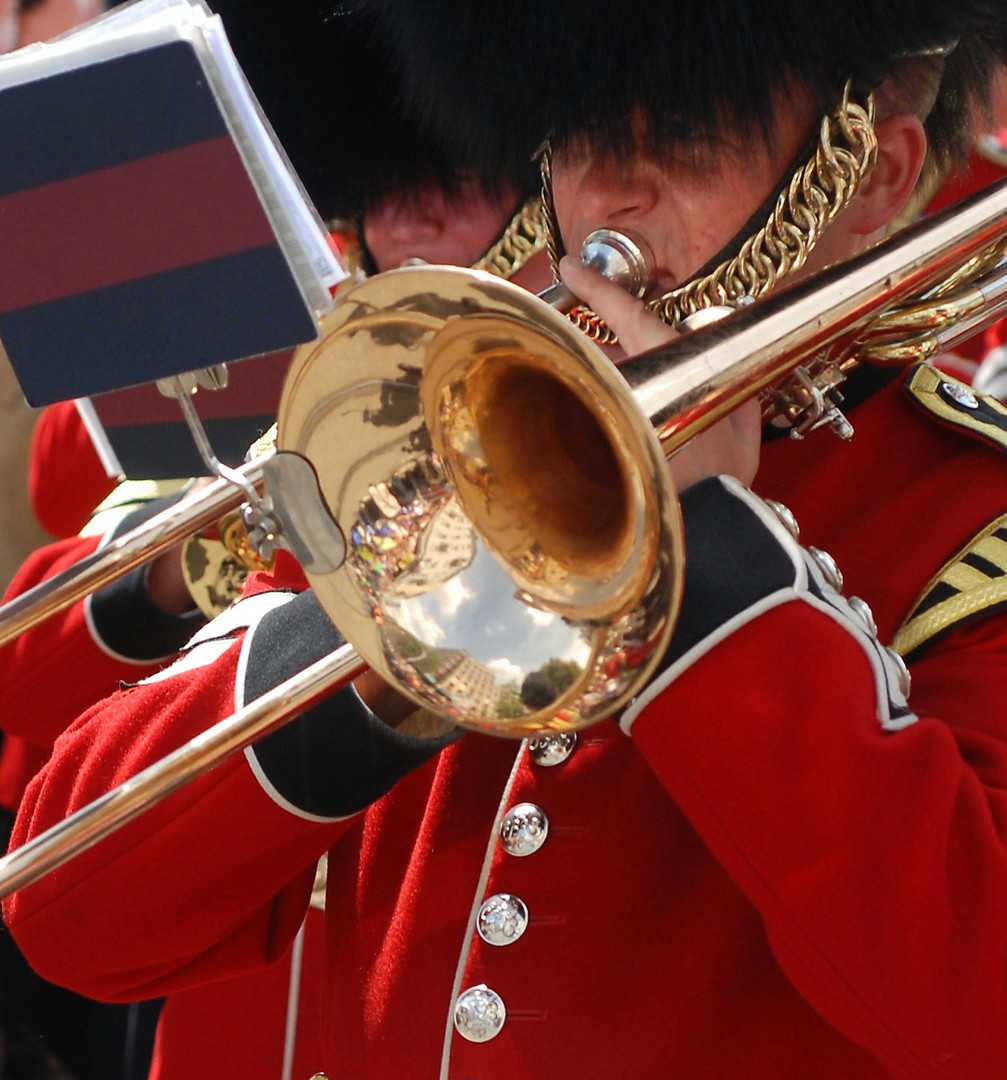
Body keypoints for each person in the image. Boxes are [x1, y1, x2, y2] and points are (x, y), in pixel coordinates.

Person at [9, 2, 1007, 1078]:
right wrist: (396, 640)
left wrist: (716, 561)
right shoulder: (438, 427)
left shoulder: (961, 518)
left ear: (872, 178)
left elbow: (973, 1005)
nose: (603, 198)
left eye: (677, 134)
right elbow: (74, 907)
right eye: (573, 141)